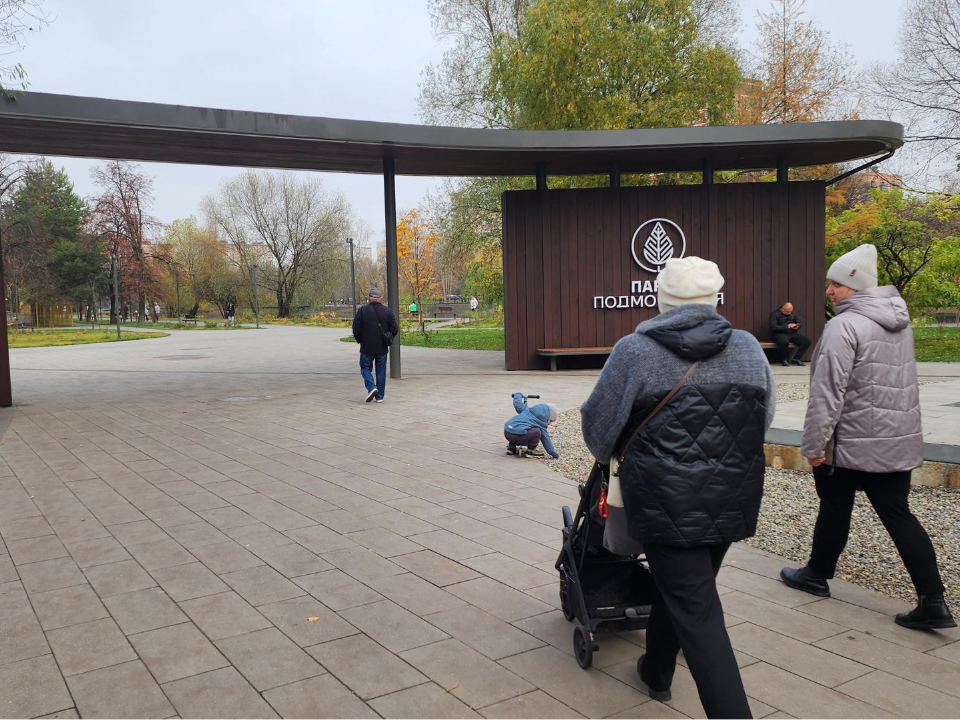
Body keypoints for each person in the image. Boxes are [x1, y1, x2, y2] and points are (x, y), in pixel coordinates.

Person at [581, 256, 775, 719]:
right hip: (732, 496)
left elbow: (598, 429)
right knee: (691, 590)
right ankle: (657, 671)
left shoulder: (635, 351)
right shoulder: (748, 348)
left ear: (662, 300)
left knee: (700, 613)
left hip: (663, 501)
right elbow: (761, 420)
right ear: (714, 299)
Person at [780, 244, 955, 630]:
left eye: (835, 284)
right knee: (898, 514)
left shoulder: (843, 326)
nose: (829, 291)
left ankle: (816, 574)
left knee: (834, 506)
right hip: (895, 440)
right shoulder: (900, 325)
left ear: (853, 285)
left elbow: (828, 392)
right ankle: (934, 601)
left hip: (849, 444)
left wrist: (813, 446)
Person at [352, 288, 399, 404]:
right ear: (380, 298)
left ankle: (371, 387)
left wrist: (360, 339)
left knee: (365, 367)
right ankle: (380, 397)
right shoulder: (387, 311)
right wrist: (388, 338)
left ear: (369, 297)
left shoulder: (362, 311)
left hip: (366, 346)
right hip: (382, 347)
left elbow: (356, 329)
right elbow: (394, 329)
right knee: (381, 371)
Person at [504, 393, 560, 459]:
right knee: (537, 432)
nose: (549, 423)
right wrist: (553, 453)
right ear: (547, 416)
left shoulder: (527, 410)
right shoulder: (541, 422)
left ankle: (511, 447)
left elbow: (518, 405)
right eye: (550, 420)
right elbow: (545, 438)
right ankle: (531, 451)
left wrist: (518, 395)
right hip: (517, 436)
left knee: (519, 426)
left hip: (507, 432)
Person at [769, 301, 811, 366]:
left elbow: (799, 322)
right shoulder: (774, 314)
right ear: (782, 309)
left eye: (790, 311)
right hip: (779, 334)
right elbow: (773, 327)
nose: (789, 313)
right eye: (787, 311)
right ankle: (783, 359)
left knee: (807, 340)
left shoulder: (793, 313)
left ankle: (796, 358)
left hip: (792, 333)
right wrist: (787, 326)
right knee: (784, 342)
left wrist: (797, 326)